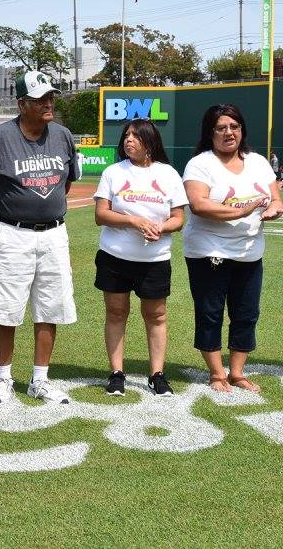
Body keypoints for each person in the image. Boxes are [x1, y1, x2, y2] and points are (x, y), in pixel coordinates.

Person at [0, 70, 80, 404]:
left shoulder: (62, 135)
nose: (48, 103)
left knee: (50, 308)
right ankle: (3, 378)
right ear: (22, 103)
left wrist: (43, 208)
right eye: (39, 99)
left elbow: (67, 181)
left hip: (53, 234)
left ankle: (40, 379)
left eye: (50, 97)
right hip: (12, 234)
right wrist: (4, 216)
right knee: (6, 309)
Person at [181, 104, 283, 393]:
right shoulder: (200, 164)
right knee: (210, 313)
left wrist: (273, 209)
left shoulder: (258, 162)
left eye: (234, 126)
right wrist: (241, 211)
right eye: (221, 128)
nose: (229, 133)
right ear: (210, 133)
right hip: (209, 252)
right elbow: (199, 205)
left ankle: (237, 372)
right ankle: (216, 374)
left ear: (242, 130)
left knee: (247, 313)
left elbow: (276, 199)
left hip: (250, 252)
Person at [93, 119, 186, 397]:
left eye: (135, 136)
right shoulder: (113, 172)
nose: (128, 140)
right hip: (115, 256)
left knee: (156, 315)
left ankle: (157, 374)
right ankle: (117, 373)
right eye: (126, 135)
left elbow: (178, 219)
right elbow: (101, 215)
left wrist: (160, 227)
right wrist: (134, 221)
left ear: (150, 141)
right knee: (116, 312)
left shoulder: (168, 174)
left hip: (155, 259)